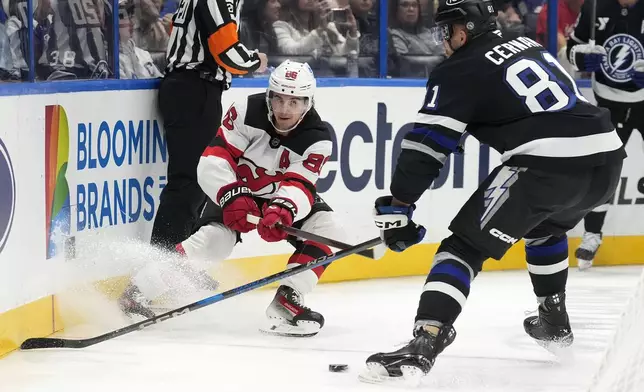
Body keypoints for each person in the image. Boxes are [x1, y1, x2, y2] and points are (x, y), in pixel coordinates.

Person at [361, 0, 626, 383]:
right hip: (606, 160)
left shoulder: (459, 68)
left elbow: (424, 147)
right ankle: (554, 321)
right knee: (544, 227)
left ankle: (426, 340)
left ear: (464, 31)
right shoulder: (529, 46)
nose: (444, 41)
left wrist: (398, 206)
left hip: (547, 165)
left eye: (446, 31)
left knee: (462, 248)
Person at [120, 60, 343, 337]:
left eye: (294, 102)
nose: (285, 110)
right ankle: (139, 289)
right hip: (237, 191)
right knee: (215, 242)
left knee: (326, 229)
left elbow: (300, 183)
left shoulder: (317, 138)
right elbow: (213, 160)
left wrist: (282, 210)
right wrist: (231, 195)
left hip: (279, 197)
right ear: (269, 95)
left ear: (308, 103)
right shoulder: (246, 111)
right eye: (279, 99)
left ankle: (289, 298)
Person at [150, 0, 268, 252]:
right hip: (194, 89)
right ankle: (159, 268)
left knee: (195, 181)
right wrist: (255, 61)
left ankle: (176, 263)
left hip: (193, 88)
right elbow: (225, 50)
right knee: (189, 182)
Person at [567, 0, 644, 270]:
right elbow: (572, 48)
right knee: (603, 170)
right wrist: (581, 58)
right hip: (608, 102)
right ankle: (592, 235)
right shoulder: (596, 5)